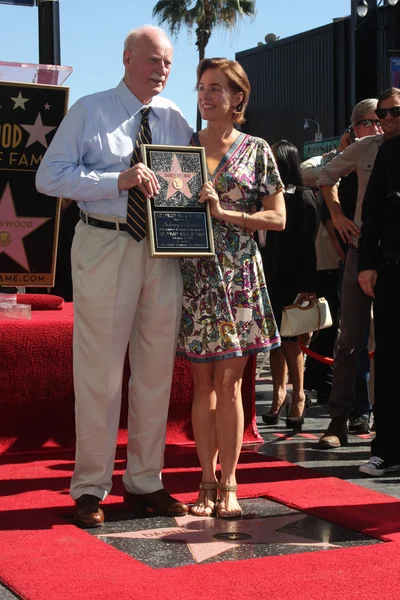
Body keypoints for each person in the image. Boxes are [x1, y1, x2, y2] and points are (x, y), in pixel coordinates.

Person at [36, 26, 193, 527]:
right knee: (100, 372)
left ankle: (146, 481)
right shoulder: (90, 110)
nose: (161, 70)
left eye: (167, 62)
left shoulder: (175, 119)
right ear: (127, 58)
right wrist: (116, 180)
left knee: (154, 373)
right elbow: (49, 176)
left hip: (162, 254)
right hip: (104, 244)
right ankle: (89, 488)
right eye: (152, 60)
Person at [177, 58, 285, 518]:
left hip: (240, 276)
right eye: (201, 87)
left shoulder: (257, 149)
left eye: (216, 88)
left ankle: (231, 483)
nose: (206, 96)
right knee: (202, 382)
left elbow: (278, 218)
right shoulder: (181, 147)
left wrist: (226, 214)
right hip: (195, 278)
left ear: (238, 97)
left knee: (231, 381)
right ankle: (204, 479)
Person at [317, 89, 400, 449]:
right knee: (349, 338)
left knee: (391, 342)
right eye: (381, 114)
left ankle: (387, 424)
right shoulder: (368, 148)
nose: (386, 119)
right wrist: (337, 217)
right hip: (360, 253)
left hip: (394, 255)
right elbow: (321, 175)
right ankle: (338, 419)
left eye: (394, 111)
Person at [261, 141, 317, 430]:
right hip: (264, 276)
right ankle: (278, 394)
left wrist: (308, 284)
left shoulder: (303, 197)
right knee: (273, 341)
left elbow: (309, 245)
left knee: (291, 339)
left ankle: (298, 396)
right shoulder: (261, 195)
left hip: (291, 277)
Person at [358, 135, 400, 476]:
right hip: (392, 267)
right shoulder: (391, 149)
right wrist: (367, 263)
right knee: (389, 360)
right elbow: (371, 210)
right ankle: (387, 448)